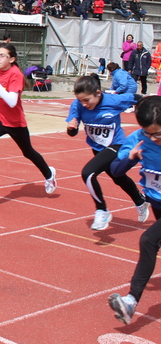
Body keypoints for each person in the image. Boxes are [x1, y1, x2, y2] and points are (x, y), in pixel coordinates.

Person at [0, 43, 57, 194]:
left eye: (2, 56)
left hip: (15, 121)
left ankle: (49, 174)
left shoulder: (16, 74)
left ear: (12, 59)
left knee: (28, 152)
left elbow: (12, 102)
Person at [65, 75, 146, 231]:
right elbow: (72, 133)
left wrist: (146, 115)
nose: (84, 104)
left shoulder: (114, 101)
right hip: (97, 147)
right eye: (80, 100)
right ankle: (140, 201)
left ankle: (102, 210)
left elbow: (138, 98)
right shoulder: (78, 105)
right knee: (118, 177)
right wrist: (72, 127)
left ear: (98, 93)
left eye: (87, 100)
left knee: (88, 173)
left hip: (117, 144)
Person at [107, 95, 161, 325]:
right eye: (148, 133)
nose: (152, 138)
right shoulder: (138, 139)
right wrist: (129, 159)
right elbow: (116, 171)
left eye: (157, 134)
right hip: (157, 202)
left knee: (148, 240)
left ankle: (130, 301)